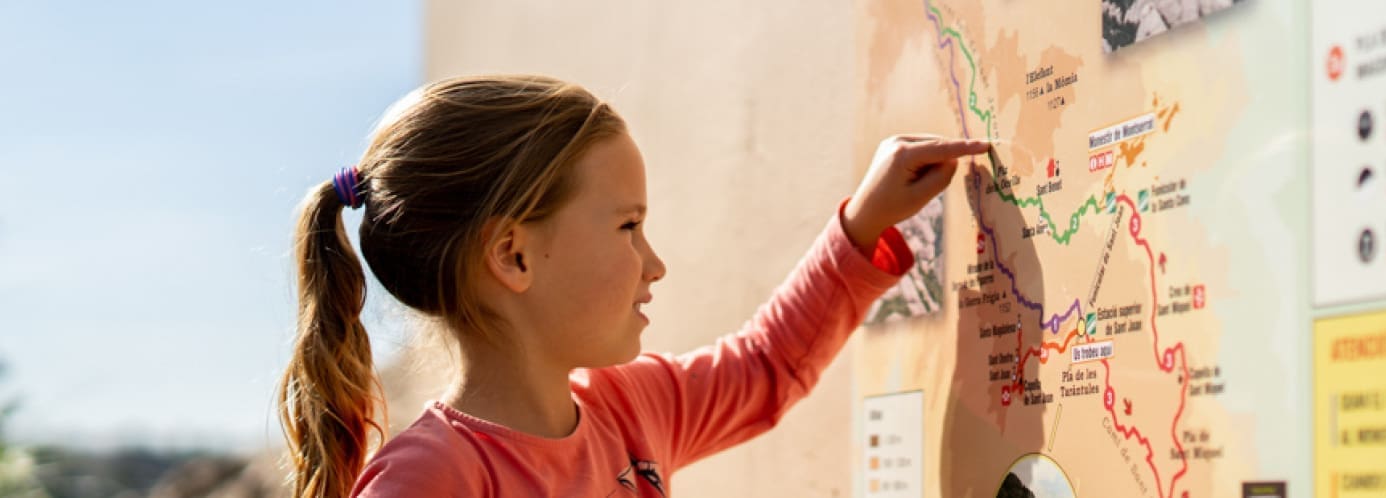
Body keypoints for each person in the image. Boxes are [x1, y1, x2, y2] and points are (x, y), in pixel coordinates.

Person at [277, 74, 988, 497]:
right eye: (628, 227)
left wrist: (863, 223)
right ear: (514, 257)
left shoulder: (631, 409)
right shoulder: (433, 478)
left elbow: (767, 365)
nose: (654, 264)